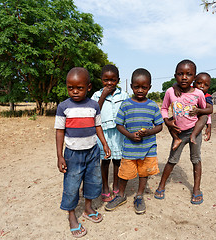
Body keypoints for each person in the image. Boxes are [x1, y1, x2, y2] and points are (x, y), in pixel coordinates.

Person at [55, 67, 111, 238]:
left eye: (79, 88)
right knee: (71, 186)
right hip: (72, 154)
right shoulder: (63, 107)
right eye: (70, 87)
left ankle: (88, 208)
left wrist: (105, 144)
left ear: (88, 87)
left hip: (92, 151)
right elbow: (59, 131)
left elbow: (98, 126)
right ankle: (72, 215)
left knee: (93, 181)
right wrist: (60, 155)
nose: (74, 91)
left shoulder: (94, 106)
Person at [105, 68, 163, 214]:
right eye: (137, 87)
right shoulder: (126, 105)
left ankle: (139, 196)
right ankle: (121, 195)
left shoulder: (152, 106)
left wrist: (148, 132)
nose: (140, 90)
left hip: (148, 148)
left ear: (149, 87)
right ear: (131, 86)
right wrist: (130, 135)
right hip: (130, 147)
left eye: (144, 87)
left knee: (144, 173)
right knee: (124, 173)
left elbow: (160, 126)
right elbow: (119, 124)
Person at [154, 59, 207, 205]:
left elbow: (204, 112)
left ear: (194, 77)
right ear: (175, 75)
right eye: (180, 74)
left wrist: (203, 127)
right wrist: (167, 121)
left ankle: (196, 189)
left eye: (188, 74)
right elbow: (164, 108)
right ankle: (161, 185)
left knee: (196, 160)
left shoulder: (199, 94)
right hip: (178, 133)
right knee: (172, 160)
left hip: (194, 131)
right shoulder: (171, 91)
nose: (184, 77)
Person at [91, 64, 129, 202]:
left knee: (118, 160)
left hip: (119, 132)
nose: (109, 83)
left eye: (112, 80)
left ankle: (116, 184)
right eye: (106, 80)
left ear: (118, 80)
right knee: (105, 161)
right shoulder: (96, 95)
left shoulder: (124, 95)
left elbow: (127, 112)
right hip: (104, 133)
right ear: (101, 80)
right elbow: (94, 111)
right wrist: (103, 95)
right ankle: (105, 186)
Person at [170, 72, 213, 150]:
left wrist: (208, 126)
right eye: (199, 83)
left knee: (204, 117)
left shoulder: (207, 96)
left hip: (198, 119)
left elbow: (210, 110)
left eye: (206, 85)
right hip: (185, 116)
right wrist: (176, 87)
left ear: (209, 87)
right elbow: (176, 84)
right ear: (194, 82)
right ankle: (176, 138)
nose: (202, 86)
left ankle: (193, 135)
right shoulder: (189, 90)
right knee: (169, 121)